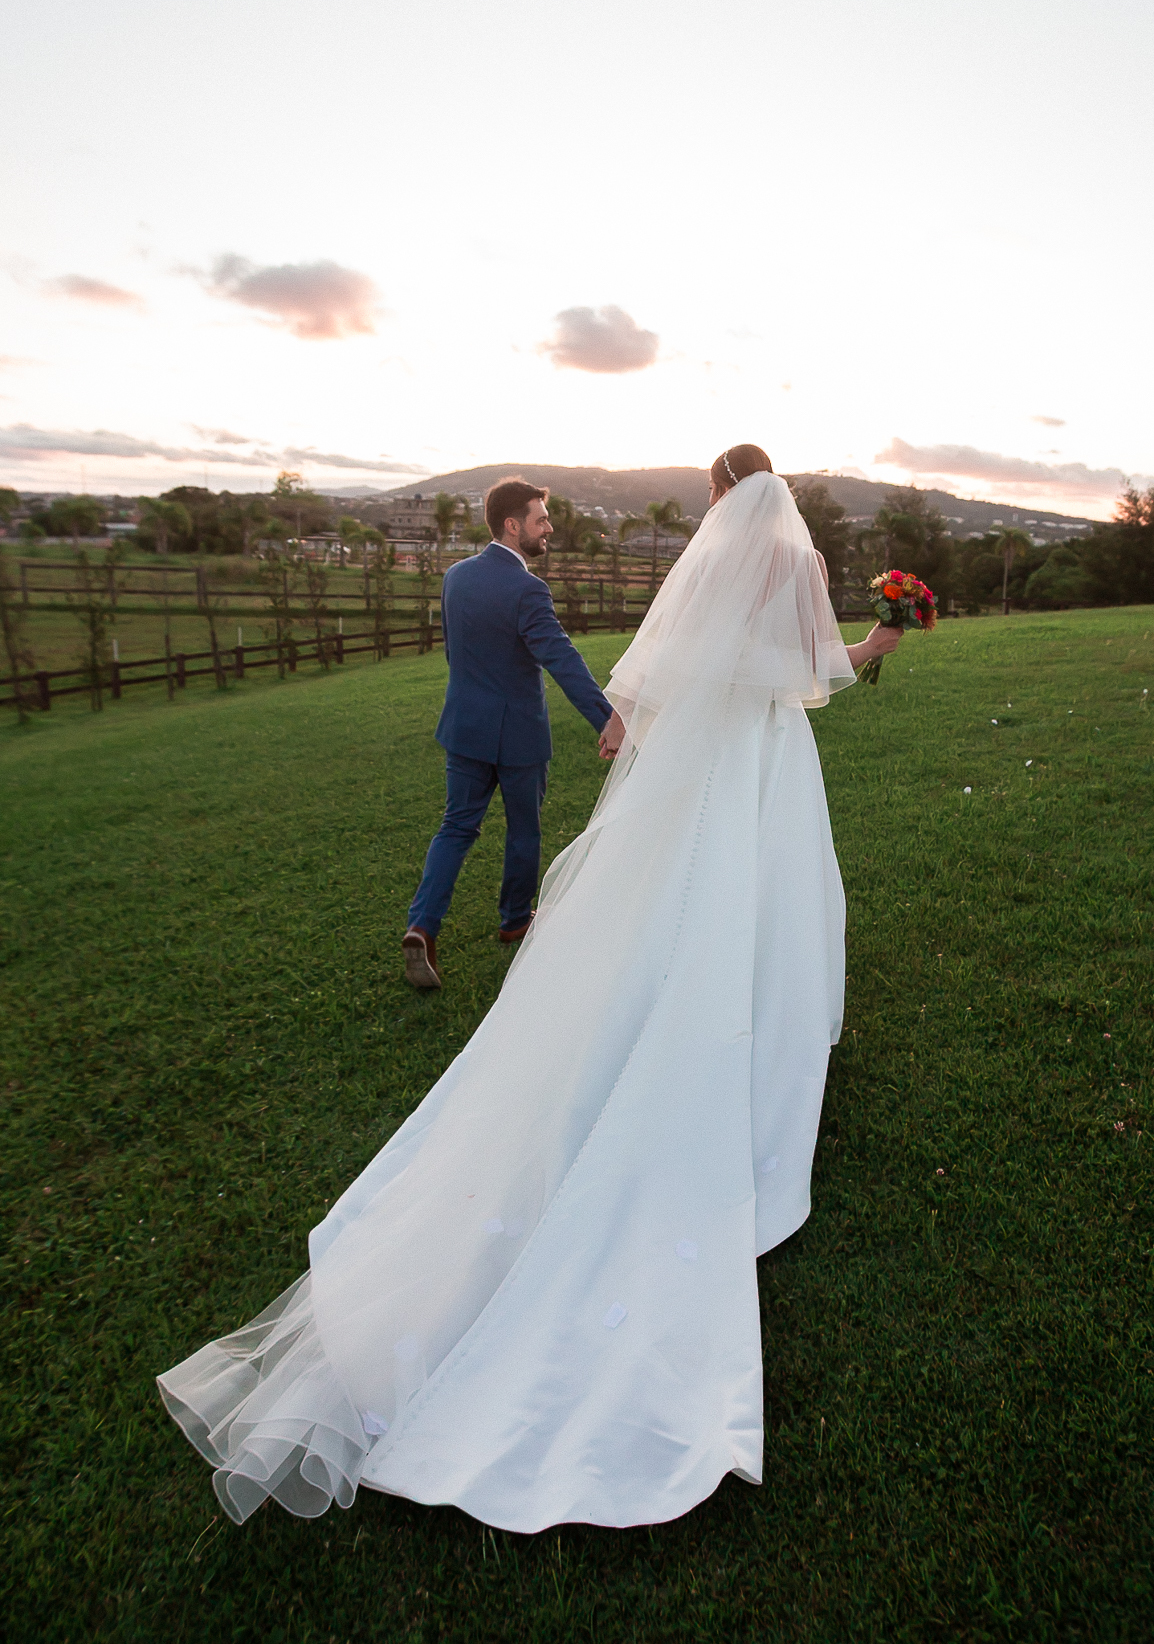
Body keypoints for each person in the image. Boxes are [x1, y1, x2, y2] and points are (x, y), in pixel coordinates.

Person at [157, 446, 902, 1534]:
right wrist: (881, 640)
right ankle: (746, 1040)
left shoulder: (688, 568)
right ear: (773, 493)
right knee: (762, 905)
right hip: (764, 764)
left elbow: (663, 673)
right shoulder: (802, 563)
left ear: (712, 499)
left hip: (695, 761)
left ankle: (623, 995)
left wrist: (629, 719)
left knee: (660, 902)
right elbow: (808, 674)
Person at [401, 478, 625, 990]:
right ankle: (513, 921)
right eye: (541, 519)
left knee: (455, 827)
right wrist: (607, 717)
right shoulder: (527, 588)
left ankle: (421, 927)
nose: (549, 528)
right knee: (523, 829)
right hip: (519, 734)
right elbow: (560, 658)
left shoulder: (456, 577)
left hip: (464, 726)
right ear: (512, 524)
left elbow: (454, 652)